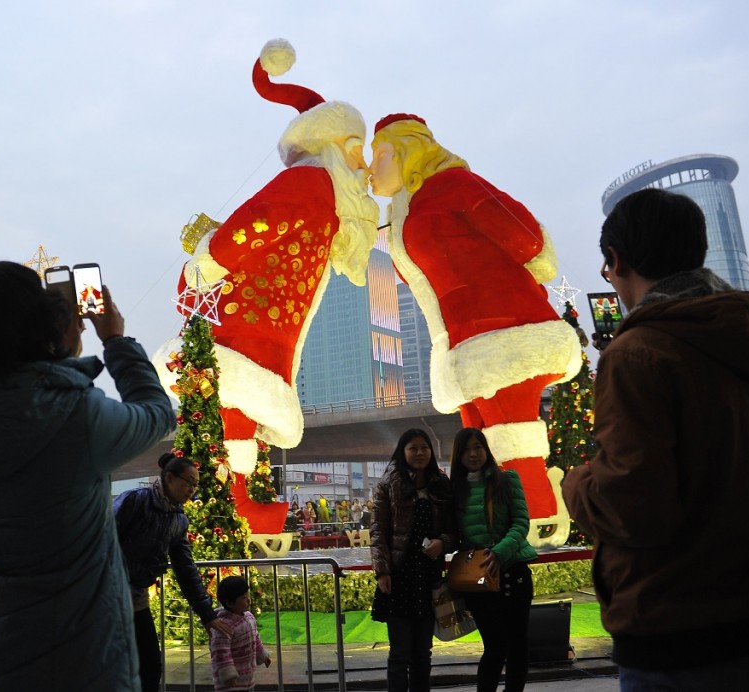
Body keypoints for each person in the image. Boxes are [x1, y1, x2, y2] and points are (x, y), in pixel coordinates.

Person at [562, 188, 749, 690]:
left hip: (680, 630)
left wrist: (576, 483)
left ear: (617, 260)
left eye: (608, 271)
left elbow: (635, 507)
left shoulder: (637, 354)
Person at [0, 261, 175, 691]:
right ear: (39, 326)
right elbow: (156, 414)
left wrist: (56, 343)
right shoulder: (74, 416)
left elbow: (10, 391)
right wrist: (115, 339)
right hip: (72, 655)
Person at [156, 38, 380, 473]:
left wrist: (208, 259)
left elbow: (255, 224)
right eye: (357, 149)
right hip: (257, 330)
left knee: (219, 424)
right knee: (230, 425)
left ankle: (229, 509)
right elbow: (261, 228)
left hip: (246, 328)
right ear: (332, 147)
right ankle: (239, 507)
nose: (364, 165)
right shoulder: (322, 194)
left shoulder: (316, 188)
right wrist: (215, 254)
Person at [369, 114, 580, 545]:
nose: (371, 167)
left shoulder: (453, 186)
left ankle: (536, 533)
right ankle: (496, 537)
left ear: (409, 152)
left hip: (506, 335)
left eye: (380, 155)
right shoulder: (405, 215)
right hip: (465, 348)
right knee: (477, 455)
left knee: (511, 447)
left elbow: (529, 242)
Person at [114, 453, 230, 692]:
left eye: (195, 484)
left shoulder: (179, 520)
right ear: (169, 478)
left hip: (136, 600)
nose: (192, 489)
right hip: (107, 598)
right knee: (110, 665)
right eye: (188, 481)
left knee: (150, 667)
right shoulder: (134, 501)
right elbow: (101, 541)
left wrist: (206, 615)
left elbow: (185, 568)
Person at [450, 428, 537, 692]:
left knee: (518, 647)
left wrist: (500, 552)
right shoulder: (455, 490)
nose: (473, 454)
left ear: (486, 450)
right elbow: (455, 535)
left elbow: (521, 522)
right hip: (480, 581)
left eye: (478, 447)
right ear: (458, 455)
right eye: (466, 449)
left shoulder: (507, 480)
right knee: (495, 646)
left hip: (513, 574)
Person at [370, 428, 454, 692]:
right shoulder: (388, 484)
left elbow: (454, 529)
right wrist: (382, 572)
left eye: (424, 448)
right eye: (413, 448)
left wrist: (443, 543)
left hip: (429, 578)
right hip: (399, 579)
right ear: (403, 452)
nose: (419, 453)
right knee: (400, 653)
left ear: (431, 451)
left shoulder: (441, 485)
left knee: (423, 653)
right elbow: (378, 531)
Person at [209, 575, 270, 691]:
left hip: (247, 677)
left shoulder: (249, 617)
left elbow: (255, 639)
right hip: (230, 684)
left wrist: (262, 655)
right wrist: (228, 674)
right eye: (243, 597)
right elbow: (220, 652)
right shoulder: (223, 626)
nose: (248, 599)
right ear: (229, 603)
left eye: (247, 595)